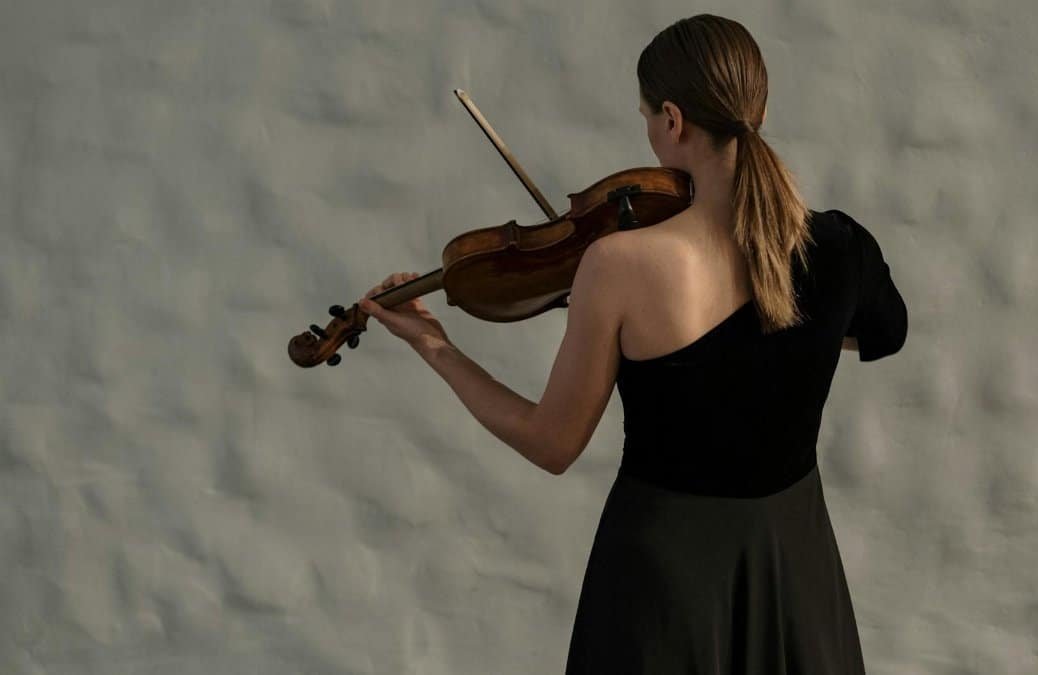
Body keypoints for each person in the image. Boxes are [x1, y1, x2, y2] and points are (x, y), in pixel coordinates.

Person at [358, 12, 906, 674]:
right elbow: (882, 330)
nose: (647, 132)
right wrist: (803, 338)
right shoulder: (840, 245)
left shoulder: (619, 266)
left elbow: (551, 442)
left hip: (665, 580)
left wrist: (437, 347)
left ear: (673, 120)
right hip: (794, 564)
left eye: (647, 116)